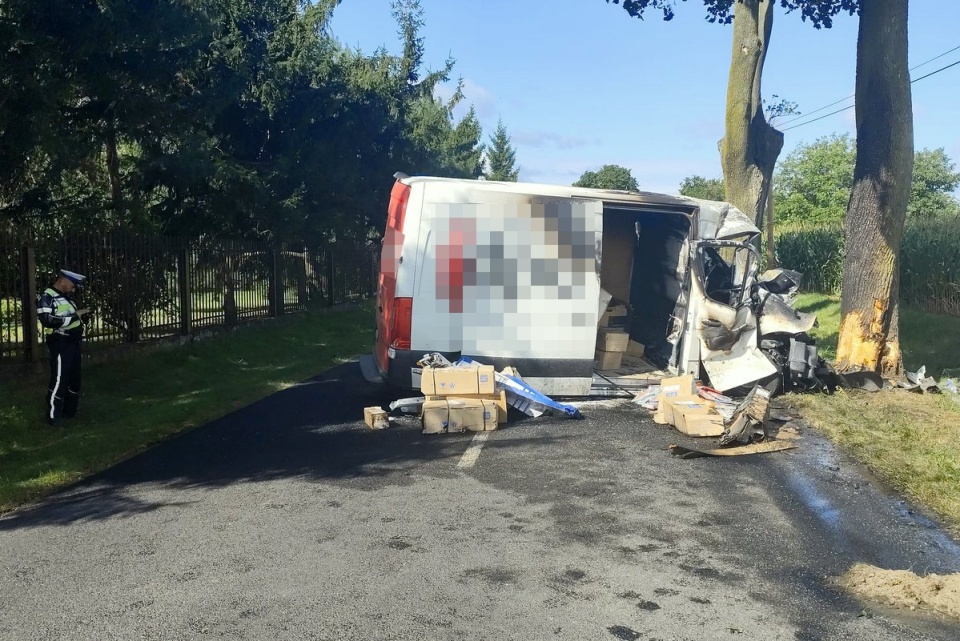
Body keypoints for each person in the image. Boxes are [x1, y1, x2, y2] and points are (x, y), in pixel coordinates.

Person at [36, 269, 89, 426]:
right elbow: (47, 320)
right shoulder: (47, 297)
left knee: (74, 379)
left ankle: (70, 413)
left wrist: (82, 318)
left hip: (73, 342)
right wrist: (75, 316)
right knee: (59, 379)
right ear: (63, 281)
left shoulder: (67, 298)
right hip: (60, 343)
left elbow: (71, 318)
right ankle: (53, 417)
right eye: (72, 285)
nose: (73, 289)